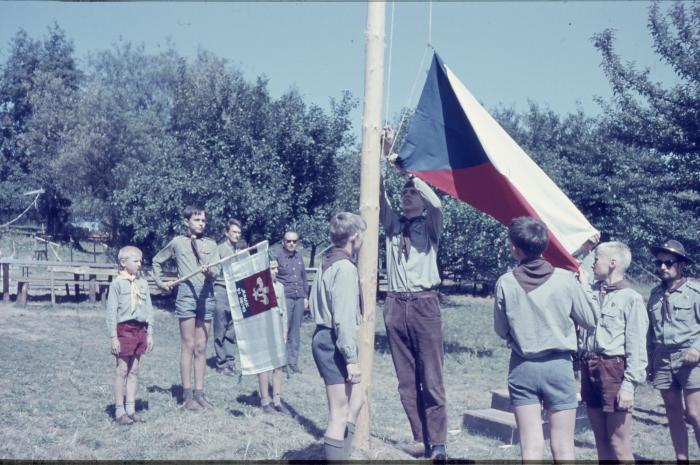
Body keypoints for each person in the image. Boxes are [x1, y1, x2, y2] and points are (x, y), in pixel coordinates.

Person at [493, 216, 598, 461]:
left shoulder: (505, 283)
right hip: (559, 367)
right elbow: (590, 320)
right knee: (563, 448)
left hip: (523, 366)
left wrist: (517, 336)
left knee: (530, 447)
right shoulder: (565, 280)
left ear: (514, 247)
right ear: (545, 245)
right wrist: (584, 286)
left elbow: (501, 329)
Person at [379, 127, 447, 460]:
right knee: (406, 380)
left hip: (424, 304)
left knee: (431, 378)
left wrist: (406, 169)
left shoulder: (431, 222)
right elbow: (376, 196)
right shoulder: (393, 226)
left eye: (411, 191)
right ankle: (419, 437)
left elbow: (434, 198)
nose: (406, 195)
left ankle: (438, 444)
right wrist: (381, 153)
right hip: (395, 305)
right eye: (404, 192)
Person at [579, 241, 648, 461]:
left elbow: (637, 347)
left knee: (618, 442)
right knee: (600, 439)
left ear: (613, 263)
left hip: (614, 371)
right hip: (590, 367)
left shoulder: (631, 298)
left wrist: (629, 385)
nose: (592, 264)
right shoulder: (590, 292)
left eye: (597, 258)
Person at [152, 205, 220, 411]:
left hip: (207, 296)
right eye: (197, 220)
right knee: (188, 345)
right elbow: (157, 261)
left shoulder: (211, 244)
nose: (201, 224)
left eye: (203, 221)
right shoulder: (178, 243)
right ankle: (187, 395)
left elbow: (216, 272)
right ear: (186, 221)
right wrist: (160, 282)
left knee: (201, 347)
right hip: (187, 296)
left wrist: (209, 272)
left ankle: (200, 394)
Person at [310, 212, 366, 460]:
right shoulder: (343, 268)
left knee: (357, 400)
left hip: (328, 338)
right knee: (339, 411)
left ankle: (342, 454)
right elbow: (342, 318)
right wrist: (351, 358)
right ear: (354, 237)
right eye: (361, 235)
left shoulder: (328, 259)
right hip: (334, 341)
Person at [647, 239, 700, 461]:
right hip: (662, 359)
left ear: (681, 265)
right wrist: (649, 361)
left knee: (695, 414)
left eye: (668, 263)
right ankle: (682, 458)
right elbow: (651, 332)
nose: (662, 267)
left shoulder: (695, 291)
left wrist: (697, 348)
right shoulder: (655, 294)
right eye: (658, 263)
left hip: (689, 358)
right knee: (673, 413)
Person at [106, 245, 154, 425]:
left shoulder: (143, 283)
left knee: (134, 370)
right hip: (123, 330)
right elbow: (111, 312)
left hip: (140, 329)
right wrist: (113, 337)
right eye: (136, 261)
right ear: (123, 262)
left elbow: (148, 309)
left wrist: (150, 333)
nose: (139, 264)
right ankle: (119, 411)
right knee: (122, 370)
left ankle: (131, 409)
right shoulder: (117, 284)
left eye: (141, 261)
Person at [258, 257, 291, 415]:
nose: (276, 271)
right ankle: (265, 400)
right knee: (264, 366)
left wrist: (284, 333)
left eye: (276, 268)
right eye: (272, 268)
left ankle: (277, 400)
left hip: (278, 330)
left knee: (278, 367)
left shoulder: (280, 287)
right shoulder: (259, 288)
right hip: (264, 331)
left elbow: (284, 312)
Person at [213, 219, 245, 376]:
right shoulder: (219, 249)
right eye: (234, 232)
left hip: (235, 291)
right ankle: (221, 363)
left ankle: (230, 361)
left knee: (232, 329)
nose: (237, 235)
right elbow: (213, 271)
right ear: (227, 233)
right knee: (221, 327)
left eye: (239, 233)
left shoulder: (239, 251)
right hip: (221, 289)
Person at [276, 230, 309, 374]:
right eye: (288, 241)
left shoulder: (299, 257)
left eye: (294, 241)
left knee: (295, 331)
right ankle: (281, 362)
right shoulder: (277, 257)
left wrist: (306, 296)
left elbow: (304, 278)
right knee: (283, 330)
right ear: (283, 241)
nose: (291, 244)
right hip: (285, 297)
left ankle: (293, 362)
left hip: (299, 296)